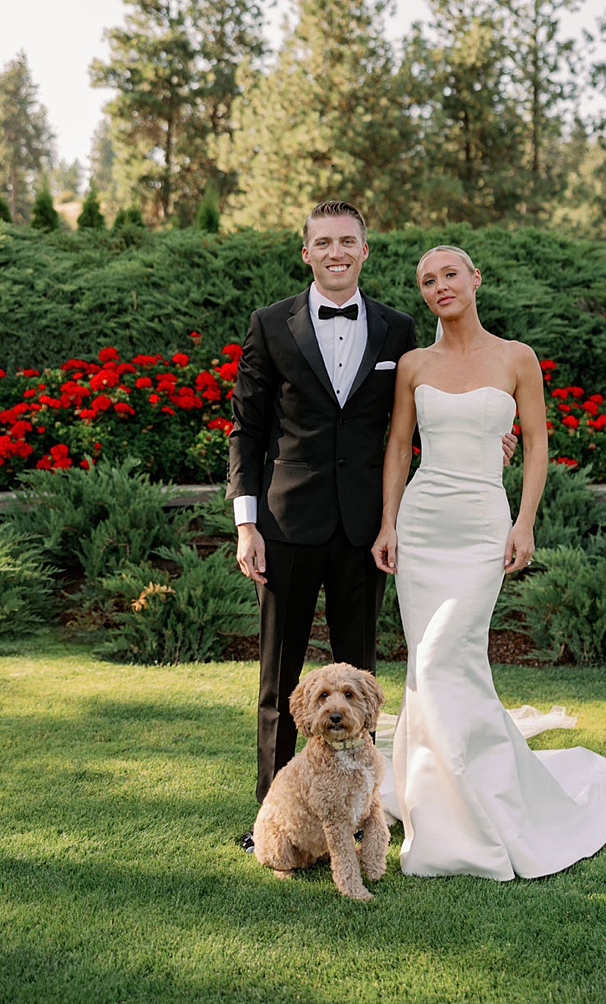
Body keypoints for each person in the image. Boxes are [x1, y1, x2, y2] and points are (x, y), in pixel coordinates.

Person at [371, 246, 606, 880]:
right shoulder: (414, 364)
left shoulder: (516, 358)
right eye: (427, 281)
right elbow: (397, 444)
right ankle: (435, 800)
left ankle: (477, 803)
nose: (439, 286)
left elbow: (535, 442)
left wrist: (524, 522)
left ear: (475, 279)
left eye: (450, 274)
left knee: (448, 655)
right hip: (423, 522)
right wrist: (388, 522)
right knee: (431, 665)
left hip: (480, 527)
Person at [228, 200, 419, 841]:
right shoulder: (269, 324)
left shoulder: (397, 329)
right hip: (285, 523)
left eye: (348, 241)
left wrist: (495, 435)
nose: (336, 252)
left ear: (366, 250)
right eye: (324, 242)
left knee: (358, 679)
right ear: (305, 251)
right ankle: (272, 821)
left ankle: (363, 821)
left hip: (365, 529)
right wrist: (246, 525)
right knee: (280, 679)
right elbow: (247, 430)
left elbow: (416, 418)